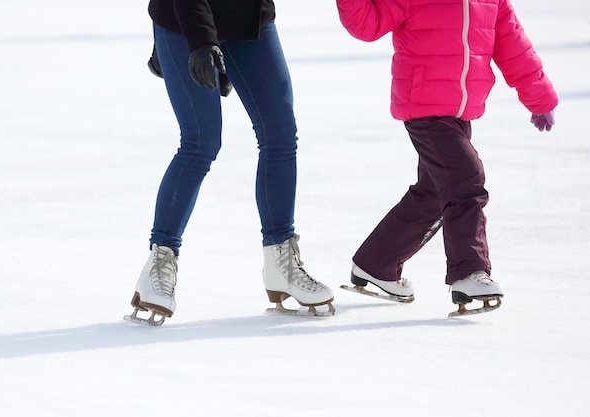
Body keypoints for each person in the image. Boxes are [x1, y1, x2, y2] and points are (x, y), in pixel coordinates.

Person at [335, 0, 558, 314]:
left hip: (459, 111)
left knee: (433, 194)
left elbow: (512, 44)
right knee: (466, 179)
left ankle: (376, 263)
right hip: (424, 104)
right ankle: (469, 272)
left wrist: (539, 96)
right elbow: (366, 24)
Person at [125, 0, 334, 325]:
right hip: (184, 20)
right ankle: (159, 261)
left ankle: (281, 261)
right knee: (201, 142)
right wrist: (202, 41)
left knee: (279, 131)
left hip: (247, 17)